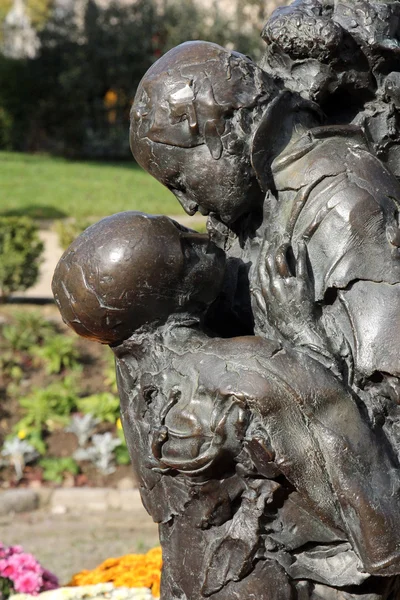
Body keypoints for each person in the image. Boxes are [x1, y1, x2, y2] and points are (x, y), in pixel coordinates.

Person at [53, 211, 400, 600]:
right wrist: (302, 330)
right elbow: (363, 484)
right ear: (164, 291)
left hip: (189, 577)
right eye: (185, 244)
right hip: (266, 580)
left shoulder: (136, 382)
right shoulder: (246, 370)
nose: (203, 238)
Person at [130, 40, 400, 430]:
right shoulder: (257, 202)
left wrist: (302, 331)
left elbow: (387, 417)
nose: (186, 204)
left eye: (180, 180)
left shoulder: (347, 208)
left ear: (222, 134)